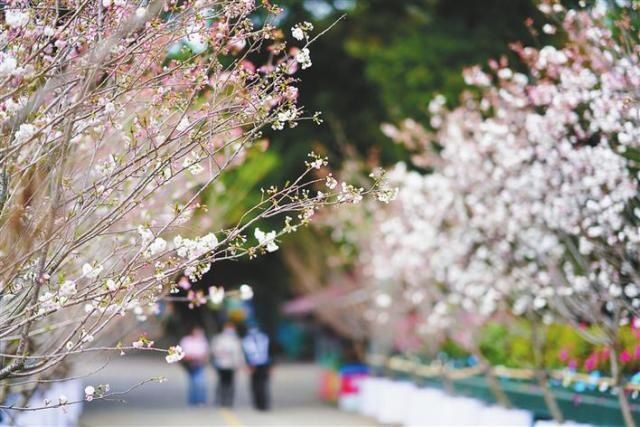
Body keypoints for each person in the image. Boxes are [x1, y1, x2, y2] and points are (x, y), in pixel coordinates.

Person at [211, 322, 244, 407]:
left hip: (232, 365)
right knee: (222, 383)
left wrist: (240, 363)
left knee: (231, 384)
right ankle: (221, 400)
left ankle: (229, 401)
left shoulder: (236, 339)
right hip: (222, 365)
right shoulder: (219, 338)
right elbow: (215, 350)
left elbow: (239, 353)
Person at [242, 325, 271, 410]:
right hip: (259, 364)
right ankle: (261, 404)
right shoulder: (264, 338)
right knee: (260, 385)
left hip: (258, 364)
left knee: (258, 385)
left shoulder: (247, 339)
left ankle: (261, 404)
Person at [179, 326, 209, 406]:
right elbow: (182, 353)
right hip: (189, 364)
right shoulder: (186, 340)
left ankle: (200, 400)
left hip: (199, 364)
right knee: (192, 383)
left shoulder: (202, 341)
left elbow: (205, 354)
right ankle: (192, 401)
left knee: (199, 383)